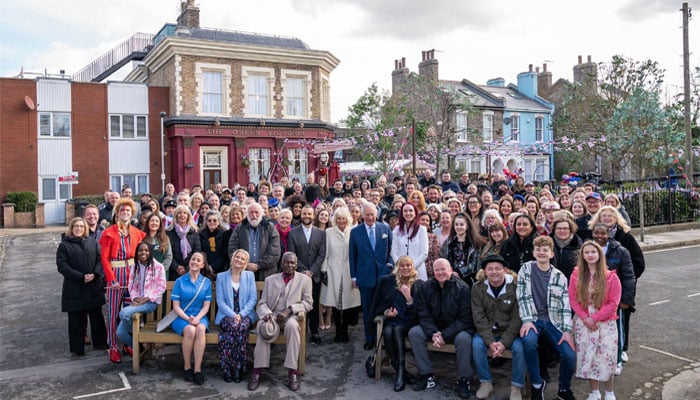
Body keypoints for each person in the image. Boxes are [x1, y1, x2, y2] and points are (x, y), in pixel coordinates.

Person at [517, 236, 577, 400]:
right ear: (533, 252)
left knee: (570, 355)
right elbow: (522, 296)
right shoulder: (526, 270)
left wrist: (566, 331)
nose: (541, 252)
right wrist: (527, 320)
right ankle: (537, 384)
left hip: (554, 322)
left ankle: (563, 389)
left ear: (551, 254)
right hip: (533, 319)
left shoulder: (559, 277)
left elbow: (565, 306)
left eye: (545, 250)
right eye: (538, 249)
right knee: (528, 343)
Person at [408, 258, 475, 398]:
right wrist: (434, 333)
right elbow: (423, 314)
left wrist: (444, 335)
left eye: (443, 269)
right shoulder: (426, 287)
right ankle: (426, 375)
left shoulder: (463, 288)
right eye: (437, 270)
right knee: (415, 333)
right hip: (434, 329)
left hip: (456, 329)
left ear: (451, 270)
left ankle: (464, 379)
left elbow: (465, 319)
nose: (440, 272)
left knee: (464, 339)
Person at [249, 252, 313, 392]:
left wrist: (290, 309)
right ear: (281, 264)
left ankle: (292, 372)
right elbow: (262, 303)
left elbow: (308, 303)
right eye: (287, 262)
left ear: (296, 264)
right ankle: (257, 371)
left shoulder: (305, 280)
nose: (290, 265)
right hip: (273, 316)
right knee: (264, 328)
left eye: (293, 263)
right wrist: (267, 314)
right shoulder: (271, 280)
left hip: (292, 316)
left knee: (292, 326)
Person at [569, 241, 621, 400]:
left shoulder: (611, 277)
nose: (590, 255)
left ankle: (610, 392)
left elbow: (613, 303)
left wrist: (595, 318)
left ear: (599, 255)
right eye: (587, 252)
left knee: (606, 358)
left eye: (593, 252)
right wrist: (585, 318)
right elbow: (572, 298)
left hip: (605, 324)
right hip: (583, 324)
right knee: (589, 357)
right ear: (582, 256)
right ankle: (595, 392)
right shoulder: (576, 275)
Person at [471, 254, 525, 400]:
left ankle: (516, 386)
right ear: (485, 272)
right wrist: (490, 341)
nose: (494, 272)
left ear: (505, 270)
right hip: (488, 331)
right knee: (476, 344)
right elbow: (479, 318)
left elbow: (517, 318)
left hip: (509, 332)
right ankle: (485, 383)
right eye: (490, 269)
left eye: (497, 268)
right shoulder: (477, 288)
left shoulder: (515, 288)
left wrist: (503, 343)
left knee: (520, 348)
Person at [99, 198, 146, 364]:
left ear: (131, 214)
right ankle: (112, 346)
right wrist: (111, 279)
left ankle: (127, 342)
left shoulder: (136, 233)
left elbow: (141, 256)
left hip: (132, 274)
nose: (125, 213)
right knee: (112, 313)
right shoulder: (109, 232)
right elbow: (104, 259)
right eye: (122, 211)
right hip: (116, 274)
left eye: (128, 211)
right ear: (117, 214)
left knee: (129, 312)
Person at [57, 217, 108, 356]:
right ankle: (77, 348)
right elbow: (62, 266)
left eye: (81, 226)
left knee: (97, 317)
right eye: (76, 226)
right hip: (75, 287)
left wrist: (95, 274)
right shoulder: (64, 246)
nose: (79, 228)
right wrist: (81, 276)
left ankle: (101, 342)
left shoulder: (93, 243)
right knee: (76, 320)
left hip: (93, 285)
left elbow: (100, 260)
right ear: (71, 228)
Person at [591, 223, 637, 376]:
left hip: (614, 301)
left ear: (609, 234)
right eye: (596, 233)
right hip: (593, 301)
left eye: (602, 233)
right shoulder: (588, 250)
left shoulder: (621, 251)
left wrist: (626, 300)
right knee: (597, 334)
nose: (599, 236)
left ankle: (617, 361)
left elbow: (629, 277)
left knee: (616, 332)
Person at [349, 202, 394, 351]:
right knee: (368, 309)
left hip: (383, 275)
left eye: (372, 214)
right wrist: (353, 277)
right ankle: (370, 338)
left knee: (383, 307)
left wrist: (389, 264)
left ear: (377, 214)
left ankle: (383, 338)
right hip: (365, 276)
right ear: (362, 215)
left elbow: (391, 250)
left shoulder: (385, 228)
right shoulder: (355, 232)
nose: (370, 217)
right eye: (367, 214)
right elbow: (352, 256)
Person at [372, 255, 420, 392]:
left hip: (408, 322)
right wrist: (386, 312)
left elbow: (418, 312)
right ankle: (401, 370)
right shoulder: (388, 281)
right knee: (387, 331)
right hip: (392, 320)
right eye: (402, 265)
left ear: (412, 267)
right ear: (397, 267)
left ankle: (399, 374)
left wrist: (408, 297)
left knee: (397, 329)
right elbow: (379, 305)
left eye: (408, 265)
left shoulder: (418, 283)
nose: (405, 268)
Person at [116, 242, 167, 356]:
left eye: (146, 250)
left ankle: (138, 335)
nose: (143, 252)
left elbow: (162, 287)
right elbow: (131, 286)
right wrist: (135, 298)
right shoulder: (135, 266)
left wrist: (147, 298)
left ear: (150, 252)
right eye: (140, 250)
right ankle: (139, 346)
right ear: (137, 253)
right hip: (138, 302)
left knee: (123, 313)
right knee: (120, 333)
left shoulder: (158, 267)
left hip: (150, 302)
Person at [319, 207, 361, 343]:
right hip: (333, 269)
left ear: (347, 219)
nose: (341, 221)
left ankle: (345, 331)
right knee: (335, 303)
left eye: (343, 218)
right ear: (335, 220)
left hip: (349, 270)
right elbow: (325, 252)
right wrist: (324, 270)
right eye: (339, 218)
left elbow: (356, 253)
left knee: (348, 303)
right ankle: (337, 332)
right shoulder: (329, 232)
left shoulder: (353, 231)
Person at [287, 205, 327, 345]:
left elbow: (322, 255)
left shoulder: (321, 233)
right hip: (298, 274)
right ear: (300, 215)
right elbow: (292, 254)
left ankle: (314, 332)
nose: (306, 216)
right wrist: (304, 271)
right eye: (304, 214)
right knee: (298, 303)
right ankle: (299, 331)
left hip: (314, 275)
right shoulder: (293, 233)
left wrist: (312, 271)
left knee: (314, 304)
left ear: (313, 215)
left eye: (309, 214)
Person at [216, 249, 257, 383]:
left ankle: (233, 367)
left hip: (245, 314)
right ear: (233, 258)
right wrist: (234, 315)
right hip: (226, 314)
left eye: (242, 259)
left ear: (246, 263)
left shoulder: (249, 276)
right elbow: (220, 301)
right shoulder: (221, 276)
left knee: (236, 329)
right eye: (237, 257)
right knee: (235, 327)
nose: (239, 260)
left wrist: (241, 314)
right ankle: (232, 368)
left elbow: (253, 299)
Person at [172, 252, 213, 386]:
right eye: (193, 259)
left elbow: (206, 306)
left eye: (198, 260)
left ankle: (197, 370)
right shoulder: (180, 281)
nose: (195, 262)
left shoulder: (206, 282)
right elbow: (176, 307)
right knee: (190, 330)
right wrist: (188, 318)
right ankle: (187, 367)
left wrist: (198, 318)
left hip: (200, 316)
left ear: (202, 265)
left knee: (200, 329)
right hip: (182, 317)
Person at [228, 203, 281, 281]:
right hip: (243, 271)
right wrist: (246, 264)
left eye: (256, 212)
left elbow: (274, 253)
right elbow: (232, 249)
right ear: (247, 214)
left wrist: (258, 265)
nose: (254, 215)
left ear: (261, 214)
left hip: (266, 273)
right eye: (251, 212)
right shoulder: (239, 228)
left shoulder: (270, 227)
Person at [439, 212, 485, 287]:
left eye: (461, 225)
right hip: (450, 278)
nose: (458, 227)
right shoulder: (449, 242)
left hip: (469, 280)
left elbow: (473, 265)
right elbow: (443, 258)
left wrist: (459, 273)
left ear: (467, 226)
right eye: (456, 224)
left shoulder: (474, 243)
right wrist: (450, 271)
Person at [391, 203, 429, 281]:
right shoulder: (396, 230)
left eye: (411, 211)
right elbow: (393, 252)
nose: (408, 213)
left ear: (415, 213)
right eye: (405, 211)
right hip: (400, 272)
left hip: (417, 271)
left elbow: (424, 253)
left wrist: (410, 267)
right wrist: (401, 266)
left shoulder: (422, 229)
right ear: (402, 213)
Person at [166, 204, 201, 280]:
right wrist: (177, 267)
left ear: (188, 216)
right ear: (175, 216)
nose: (182, 215)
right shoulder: (168, 232)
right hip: (174, 271)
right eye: (179, 213)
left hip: (191, 270)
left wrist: (188, 268)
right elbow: (167, 253)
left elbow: (197, 252)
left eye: (185, 213)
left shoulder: (194, 232)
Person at [551, 216, 582, 280]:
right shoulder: (547, 246)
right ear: (554, 230)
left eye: (565, 228)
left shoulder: (578, 246)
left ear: (570, 230)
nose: (562, 231)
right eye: (559, 228)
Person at [418, 211, 441, 279]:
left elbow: (436, 256)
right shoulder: (412, 236)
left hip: (429, 272)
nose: (425, 222)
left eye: (427, 220)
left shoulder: (433, 237)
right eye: (422, 219)